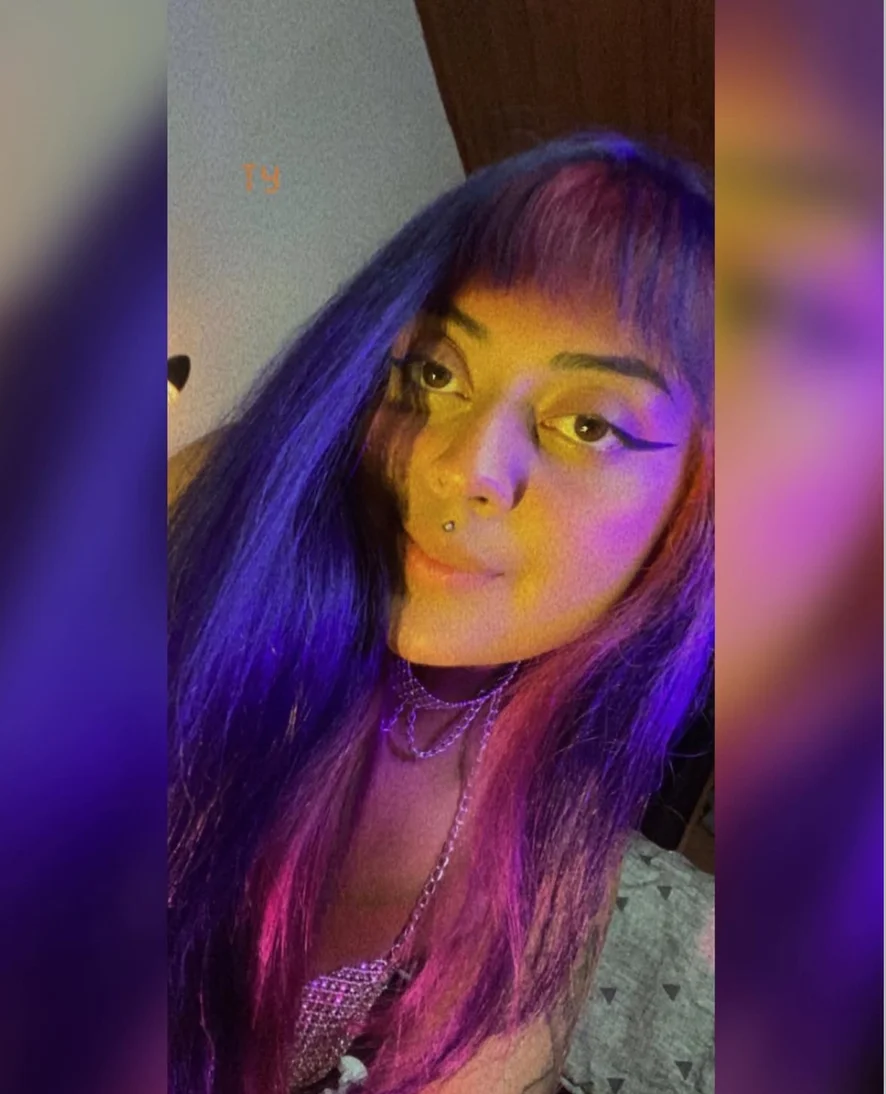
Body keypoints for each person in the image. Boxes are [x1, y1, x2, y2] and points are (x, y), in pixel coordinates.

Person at [168, 132, 713, 1094]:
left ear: (689, 509)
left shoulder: (550, 835)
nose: (461, 466)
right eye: (434, 371)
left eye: (588, 423)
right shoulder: (209, 525)